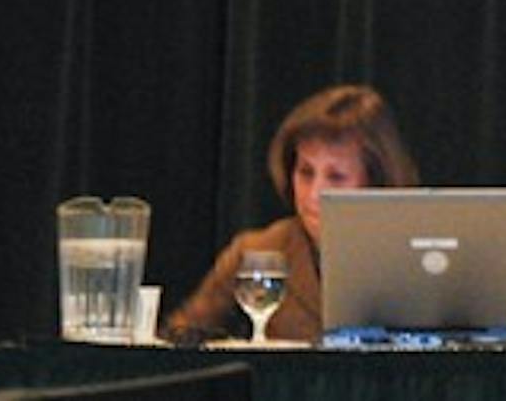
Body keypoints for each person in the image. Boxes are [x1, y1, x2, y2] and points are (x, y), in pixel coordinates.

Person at [162, 84, 418, 343]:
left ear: (375, 181)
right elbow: (179, 337)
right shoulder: (260, 250)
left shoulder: (414, 253)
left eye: (336, 177)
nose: (315, 192)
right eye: (306, 173)